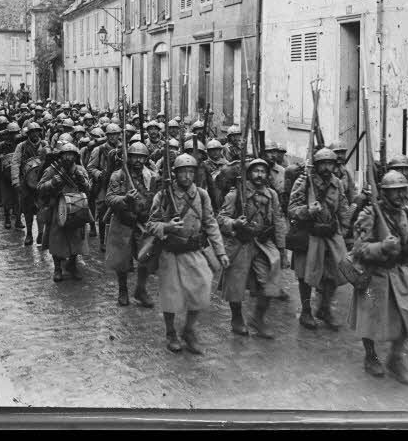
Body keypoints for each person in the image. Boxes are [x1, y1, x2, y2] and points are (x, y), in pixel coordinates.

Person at [349, 171, 408, 385]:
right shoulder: (370, 214)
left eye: (402, 190)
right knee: (369, 318)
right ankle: (371, 357)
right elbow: (358, 248)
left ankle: (395, 360)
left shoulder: (407, 213)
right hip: (373, 274)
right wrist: (381, 246)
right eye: (394, 191)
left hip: (397, 271)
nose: (399, 195)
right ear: (384, 193)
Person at [146, 153, 229, 354]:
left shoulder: (201, 195)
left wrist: (221, 252)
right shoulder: (164, 195)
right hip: (170, 251)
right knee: (171, 295)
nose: (187, 176)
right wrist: (166, 226)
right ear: (175, 174)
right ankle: (171, 333)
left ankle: (189, 331)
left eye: (191, 171)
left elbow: (210, 223)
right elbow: (150, 224)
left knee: (201, 288)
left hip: (194, 250)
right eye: (183, 172)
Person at [217, 158, 287, 338]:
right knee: (236, 283)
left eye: (263, 171)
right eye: (255, 171)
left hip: (262, 242)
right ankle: (237, 318)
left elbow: (278, 221)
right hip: (240, 243)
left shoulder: (272, 195)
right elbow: (221, 219)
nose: (259, 175)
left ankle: (258, 318)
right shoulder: (235, 195)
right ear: (248, 174)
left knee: (271, 281)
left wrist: (281, 248)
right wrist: (234, 222)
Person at [287, 148, 353, 331]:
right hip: (309, 234)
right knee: (305, 276)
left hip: (330, 235)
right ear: (316, 165)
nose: (326, 167)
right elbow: (291, 209)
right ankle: (306, 311)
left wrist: (344, 231)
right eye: (322, 163)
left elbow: (343, 208)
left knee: (335, 272)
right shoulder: (304, 182)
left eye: (330, 163)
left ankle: (324, 308)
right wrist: (307, 210)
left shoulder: (337, 183)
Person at [105, 142, 159, 306]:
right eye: (134, 156)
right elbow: (109, 198)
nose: (138, 160)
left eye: (141, 157)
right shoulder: (118, 176)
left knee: (146, 258)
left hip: (143, 222)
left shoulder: (151, 175)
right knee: (122, 260)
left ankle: (141, 290)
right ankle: (123, 291)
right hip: (123, 221)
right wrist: (125, 199)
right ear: (128, 157)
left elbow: (157, 197)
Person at [37, 142, 92, 282]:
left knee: (76, 238)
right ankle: (57, 268)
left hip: (77, 207)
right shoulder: (52, 170)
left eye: (71, 155)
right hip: (57, 206)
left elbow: (89, 189)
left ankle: (72, 265)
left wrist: (82, 181)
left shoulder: (80, 169)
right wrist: (52, 183)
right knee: (57, 238)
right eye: (66, 155)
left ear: (75, 156)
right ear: (61, 156)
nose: (68, 158)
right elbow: (40, 187)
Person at [87, 123, 125, 251]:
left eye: (116, 134)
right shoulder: (99, 150)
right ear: (107, 136)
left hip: (120, 183)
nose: (114, 137)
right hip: (103, 184)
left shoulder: (124, 148)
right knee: (103, 211)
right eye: (111, 134)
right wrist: (99, 174)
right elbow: (90, 167)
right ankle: (102, 241)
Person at [14, 121, 48, 246]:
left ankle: (40, 233)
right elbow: (15, 163)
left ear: (40, 132)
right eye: (31, 132)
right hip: (25, 182)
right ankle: (29, 233)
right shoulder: (21, 146)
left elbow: (50, 161)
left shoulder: (45, 145)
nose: (34, 134)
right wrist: (16, 181)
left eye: (36, 131)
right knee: (27, 209)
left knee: (42, 208)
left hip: (41, 181)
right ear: (28, 133)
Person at [0, 122, 21, 229]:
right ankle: (7, 219)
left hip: (17, 173)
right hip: (4, 174)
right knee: (6, 197)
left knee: (18, 197)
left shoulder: (20, 144)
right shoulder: (1, 145)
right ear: (8, 134)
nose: (14, 135)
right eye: (12, 133)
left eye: (16, 133)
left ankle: (18, 219)